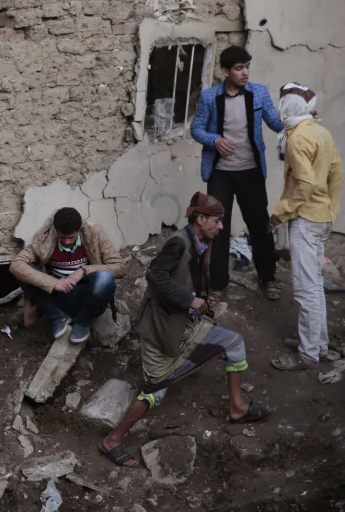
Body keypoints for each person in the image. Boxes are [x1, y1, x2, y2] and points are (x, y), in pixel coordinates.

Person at [98, 192, 271, 467]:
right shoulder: (178, 243)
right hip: (161, 330)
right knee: (157, 390)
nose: (221, 226)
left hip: (184, 325)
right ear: (200, 219)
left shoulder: (201, 240)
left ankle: (237, 408)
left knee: (233, 343)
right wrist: (190, 300)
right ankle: (112, 440)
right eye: (217, 221)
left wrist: (200, 306)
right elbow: (155, 275)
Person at [190, 45, 283, 302]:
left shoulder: (259, 93)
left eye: (247, 67)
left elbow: (275, 123)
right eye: (239, 68)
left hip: (251, 171)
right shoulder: (210, 97)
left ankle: (268, 278)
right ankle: (218, 285)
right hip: (221, 173)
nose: (245, 73)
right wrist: (215, 140)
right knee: (217, 227)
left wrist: (300, 120)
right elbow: (196, 130)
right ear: (224, 71)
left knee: (259, 226)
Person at [267, 84, 342, 371]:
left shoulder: (297, 139)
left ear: (288, 108)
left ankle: (309, 354)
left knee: (305, 289)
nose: (278, 109)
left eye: (281, 104)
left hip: (306, 220)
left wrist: (281, 213)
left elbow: (307, 184)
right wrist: (331, 211)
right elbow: (336, 173)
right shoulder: (320, 132)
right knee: (315, 288)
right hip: (320, 217)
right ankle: (318, 345)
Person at [11, 207, 125, 343]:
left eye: (71, 237)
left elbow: (119, 267)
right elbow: (16, 265)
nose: (67, 242)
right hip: (58, 297)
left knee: (104, 278)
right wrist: (54, 283)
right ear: (55, 231)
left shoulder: (94, 233)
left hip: (88, 297)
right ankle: (58, 317)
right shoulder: (45, 238)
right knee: (25, 272)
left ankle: (83, 322)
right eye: (62, 237)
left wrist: (84, 270)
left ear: (79, 230)